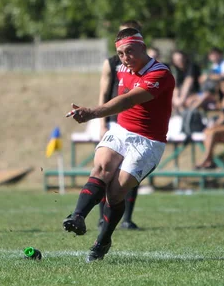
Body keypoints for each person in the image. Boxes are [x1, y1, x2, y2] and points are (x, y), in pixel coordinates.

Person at [63, 27, 174, 262]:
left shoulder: (160, 74)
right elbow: (118, 98)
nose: (125, 58)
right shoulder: (122, 68)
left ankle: (103, 239)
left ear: (143, 48)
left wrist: (92, 112)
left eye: (130, 51)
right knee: (101, 168)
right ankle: (77, 216)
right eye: (121, 54)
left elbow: (129, 99)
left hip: (148, 141)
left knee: (116, 191)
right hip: (121, 131)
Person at [97, 19, 143, 231]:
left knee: (131, 172)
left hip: (137, 123)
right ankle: (101, 216)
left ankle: (126, 218)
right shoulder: (111, 62)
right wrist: (102, 123)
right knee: (106, 170)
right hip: (116, 122)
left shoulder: (146, 63)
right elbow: (104, 94)